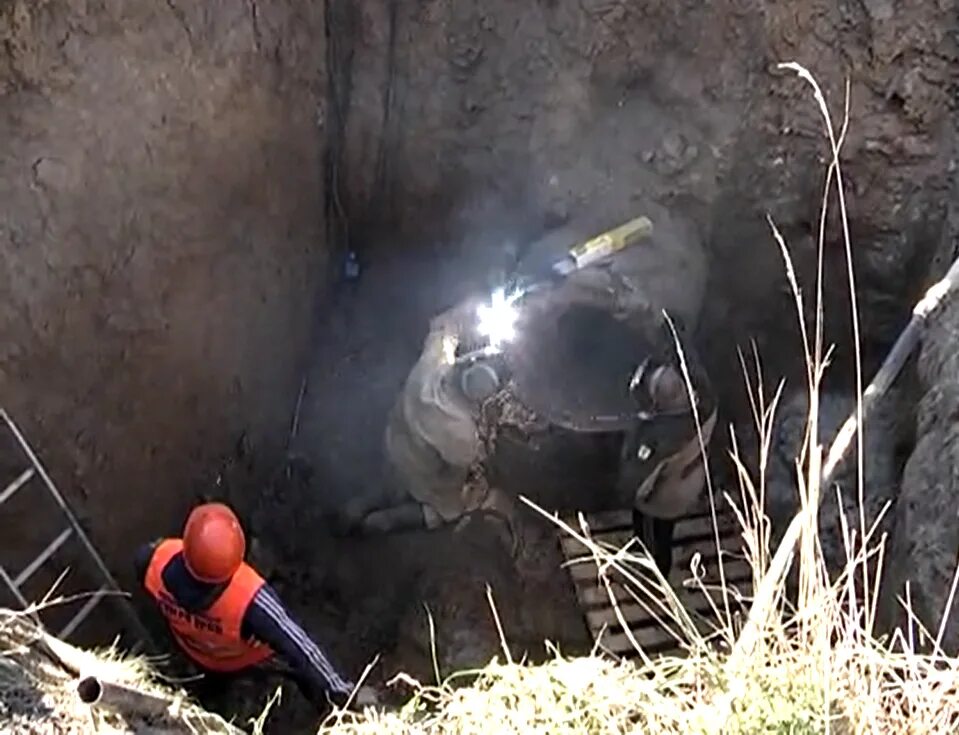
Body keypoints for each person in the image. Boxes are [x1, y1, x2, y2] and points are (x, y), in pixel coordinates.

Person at [135, 502, 375, 713]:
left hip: (198, 652)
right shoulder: (250, 600)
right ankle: (326, 706)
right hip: (244, 658)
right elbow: (299, 645)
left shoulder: (151, 561)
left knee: (212, 682)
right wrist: (342, 691)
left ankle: (209, 700)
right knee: (299, 665)